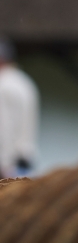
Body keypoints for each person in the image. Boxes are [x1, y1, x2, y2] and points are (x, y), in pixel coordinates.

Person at [0, 38, 38, 178]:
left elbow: (4, 127)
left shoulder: (3, 85)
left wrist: (4, 164)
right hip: (25, 161)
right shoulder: (25, 82)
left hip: (7, 166)